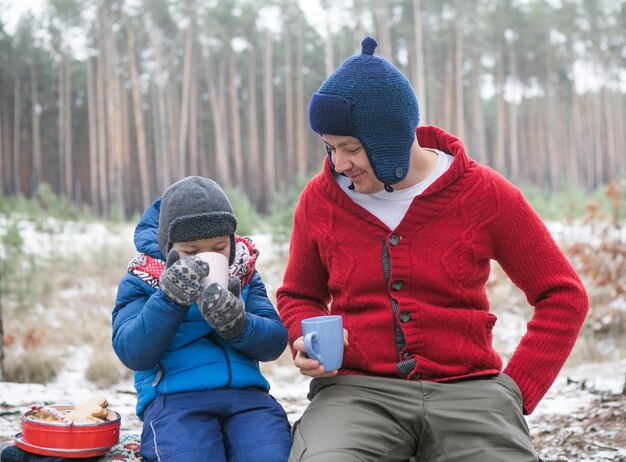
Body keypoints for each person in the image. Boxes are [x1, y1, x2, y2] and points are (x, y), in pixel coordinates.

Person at [276, 36, 588, 462]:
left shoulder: (484, 194)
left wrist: (517, 389)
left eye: (352, 148)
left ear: (391, 138)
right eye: (330, 148)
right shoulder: (321, 200)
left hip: (470, 392)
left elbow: (563, 294)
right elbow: (300, 295)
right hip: (356, 394)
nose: (339, 164)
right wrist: (304, 337)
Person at [112, 176, 291, 462]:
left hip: (248, 399)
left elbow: (274, 342)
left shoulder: (244, 273)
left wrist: (238, 325)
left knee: (272, 453)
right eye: (191, 252)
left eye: (219, 248)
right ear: (167, 246)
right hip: (174, 403)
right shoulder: (142, 280)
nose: (207, 258)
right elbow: (132, 352)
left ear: (231, 242)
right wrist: (170, 299)